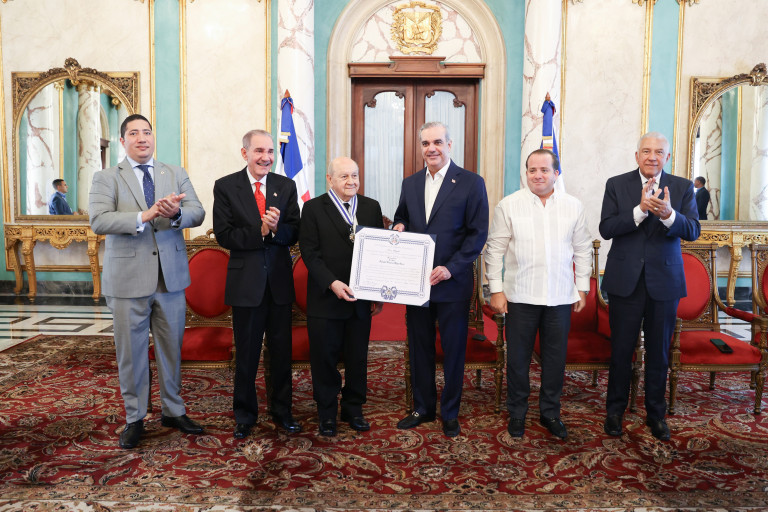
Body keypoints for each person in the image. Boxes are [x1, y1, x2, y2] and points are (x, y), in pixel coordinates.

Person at [89, 113, 206, 449]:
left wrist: (176, 213)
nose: (142, 138)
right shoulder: (106, 177)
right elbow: (99, 220)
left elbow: (197, 212)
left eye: (147, 132)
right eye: (134, 133)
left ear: (153, 138)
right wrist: (146, 215)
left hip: (170, 280)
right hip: (128, 281)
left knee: (171, 350)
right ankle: (135, 417)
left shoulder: (175, 173)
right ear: (123, 140)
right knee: (132, 353)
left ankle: (173, 410)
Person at [485, 149, 592, 440]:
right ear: (526, 173)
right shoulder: (509, 205)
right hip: (520, 296)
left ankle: (550, 413)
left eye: (544, 170)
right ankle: (517, 412)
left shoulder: (573, 206)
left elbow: (582, 249)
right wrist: (496, 289)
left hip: (560, 296)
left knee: (555, 360)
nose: (538, 175)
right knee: (518, 360)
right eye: (532, 170)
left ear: (556, 173)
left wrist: (582, 287)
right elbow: (494, 251)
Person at [600, 132, 700, 441]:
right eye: (646, 151)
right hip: (625, 282)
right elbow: (606, 228)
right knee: (621, 351)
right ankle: (614, 412)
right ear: (637, 155)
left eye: (658, 152)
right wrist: (640, 211)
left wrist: (669, 215)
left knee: (659, 353)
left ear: (667, 157)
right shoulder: (616, 184)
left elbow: (693, 230)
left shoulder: (682, 187)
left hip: (664, 283)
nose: (652, 156)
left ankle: (656, 414)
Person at [393, 121, 489, 438]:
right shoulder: (410, 183)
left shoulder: (471, 183)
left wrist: (451, 268)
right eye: (425, 143)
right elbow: (402, 216)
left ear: (449, 144)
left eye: (437, 142)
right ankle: (422, 408)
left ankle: (450, 412)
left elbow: (477, 234)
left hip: (452, 282)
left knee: (453, 350)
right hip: (415, 282)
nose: (431, 148)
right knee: (419, 348)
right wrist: (398, 227)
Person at [212, 129, 301, 439]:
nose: (266, 157)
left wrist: (276, 230)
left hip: (278, 284)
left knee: (281, 354)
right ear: (245, 153)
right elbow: (224, 234)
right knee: (247, 355)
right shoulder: (226, 186)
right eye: (259, 151)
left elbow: (294, 231)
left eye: (270, 152)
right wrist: (260, 231)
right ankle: (245, 415)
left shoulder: (285, 186)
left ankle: (282, 411)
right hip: (246, 284)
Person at [299, 157, 384, 437]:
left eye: (355, 175)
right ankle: (326, 413)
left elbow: (380, 253)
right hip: (326, 298)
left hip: (361, 299)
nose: (351, 181)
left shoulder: (371, 207)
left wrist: (378, 293)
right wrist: (332, 283)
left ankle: (353, 408)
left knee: (357, 357)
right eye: (344, 176)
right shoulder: (313, 208)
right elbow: (309, 253)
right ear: (330, 179)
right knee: (324, 358)